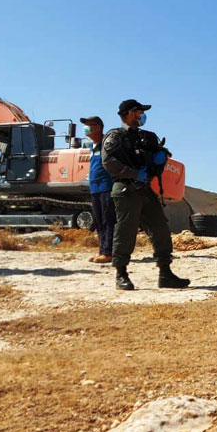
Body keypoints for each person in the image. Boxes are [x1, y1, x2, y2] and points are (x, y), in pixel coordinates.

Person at [101, 99, 190, 291]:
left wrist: (160, 159)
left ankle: (165, 274)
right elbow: (109, 163)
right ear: (129, 114)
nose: (142, 116)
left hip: (145, 190)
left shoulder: (147, 137)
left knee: (160, 229)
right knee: (125, 230)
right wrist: (134, 173)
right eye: (139, 112)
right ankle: (121, 274)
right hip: (125, 188)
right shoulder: (115, 137)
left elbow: (158, 159)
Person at [80, 116, 115, 264]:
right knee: (99, 221)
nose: (86, 128)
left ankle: (108, 253)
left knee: (108, 221)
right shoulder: (91, 147)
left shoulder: (106, 144)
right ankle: (102, 251)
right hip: (95, 188)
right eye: (86, 126)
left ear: (98, 127)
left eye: (90, 125)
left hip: (106, 187)